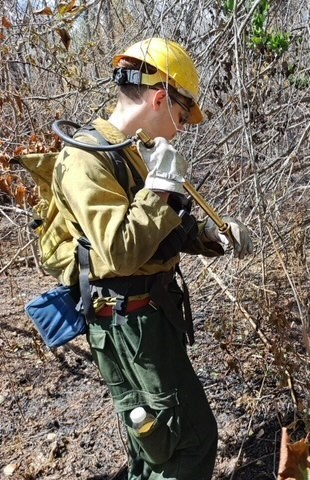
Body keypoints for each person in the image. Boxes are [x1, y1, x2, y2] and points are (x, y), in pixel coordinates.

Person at [42, 38, 252, 479]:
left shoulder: (136, 151)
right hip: (128, 322)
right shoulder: (85, 160)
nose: (179, 129)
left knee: (155, 440)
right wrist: (159, 188)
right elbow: (119, 250)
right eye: (179, 116)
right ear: (159, 98)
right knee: (190, 442)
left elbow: (161, 229)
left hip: (149, 313)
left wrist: (213, 236)